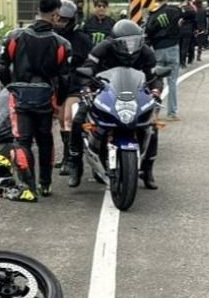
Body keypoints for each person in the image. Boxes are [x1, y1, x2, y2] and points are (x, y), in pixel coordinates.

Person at [68, 19, 163, 190]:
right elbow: (87, 70)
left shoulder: (146, 52)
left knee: (152, 126)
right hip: (104, 92)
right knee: (78, 120)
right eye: (126, 43)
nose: (131, 48)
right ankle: (75, 164)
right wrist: (86, 89)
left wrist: (156, 93)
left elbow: (154, 77)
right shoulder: (102, 48)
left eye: (135, 42)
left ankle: (147, 170)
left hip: (135, 94)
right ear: (114, 42)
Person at [0, 0, 72, 201]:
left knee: (22, 141)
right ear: (56, 15)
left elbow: (2, 66)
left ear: (37, 11)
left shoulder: (15, 37)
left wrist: (10, 87)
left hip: (20, 98)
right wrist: (60, 102)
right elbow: (64, 78)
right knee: (45, 139)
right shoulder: (61, 43)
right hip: (46, 99)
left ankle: (28, 187)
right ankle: (45, 184)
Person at [54, 0, 92, 178]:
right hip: (57, 83)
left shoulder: (82, 38)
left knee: (68, 116)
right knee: (61, 119)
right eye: (58, 18)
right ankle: (67, 154)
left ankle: (71, 158)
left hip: (76, 83)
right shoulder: (51, 37)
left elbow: (90, 62)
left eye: (64, 19)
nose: (60, 22)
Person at [144, 0, 184, 120]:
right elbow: (187, 16)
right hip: (173, 48)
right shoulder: (175, 10)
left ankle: (155, 112)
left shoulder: (153, 15)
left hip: (158, 49)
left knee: (157, 82)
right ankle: (172, 112)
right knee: (172, 82)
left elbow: (148, 32)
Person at [179, 0, 198, 67]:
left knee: (180, 46)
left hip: (180, 29)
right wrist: (196, 29)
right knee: (185, 46)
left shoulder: (179, 9)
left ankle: (180, 61)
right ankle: (183, 62)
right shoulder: (191, 9)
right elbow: (195, 20)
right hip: (189, 29)